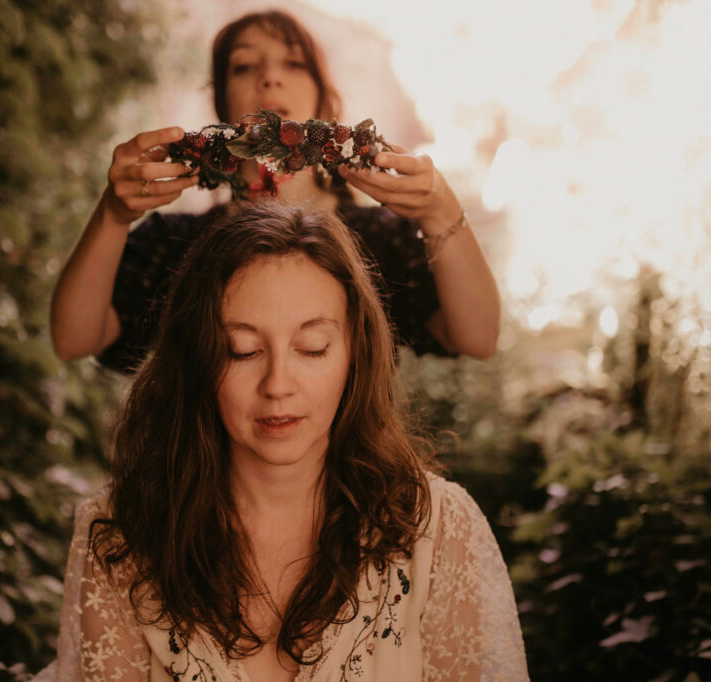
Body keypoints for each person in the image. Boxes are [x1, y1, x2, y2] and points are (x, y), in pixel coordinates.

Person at [46, 204, 528, 681]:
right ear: (197, 358)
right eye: (242, 351)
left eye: (312, 348)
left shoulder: (439, 529)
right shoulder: (121, 536)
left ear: (355, 353)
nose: (278, 384)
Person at [49, 9, 501, 373]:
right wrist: (112, 215)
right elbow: (74, 339)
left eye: (294, 63)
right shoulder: (177, 245)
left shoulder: (381, 242)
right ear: (221, 102)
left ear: (324, 99)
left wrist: (442, 213)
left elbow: (477, 338)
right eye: (244, 66)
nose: (269, 77)